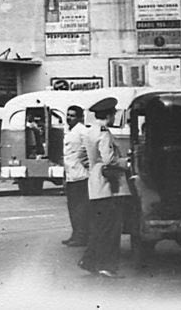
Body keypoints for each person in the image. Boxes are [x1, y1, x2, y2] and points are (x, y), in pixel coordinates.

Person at [80, 97, 128, 278]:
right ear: (109, 115)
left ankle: (89, 261)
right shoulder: (104, 133)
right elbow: (109, 159)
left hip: (95, 183)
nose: (114, 117)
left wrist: (94, 168)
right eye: (113, 114)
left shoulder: (89, 132)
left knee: (100, 226)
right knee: (111, 227)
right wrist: (126, 162)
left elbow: (83, 157)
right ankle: (107, 266)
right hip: (108, 185)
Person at [62, 104, 90, 247]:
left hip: (81, 176)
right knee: (73, 207)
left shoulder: (83, 131)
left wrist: (86, 166)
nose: (69, 118)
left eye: (72, 115)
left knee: (81, 209)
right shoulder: (70, 131)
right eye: (68, 115)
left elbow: (88, 151)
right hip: (71, 175)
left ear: (80, 118)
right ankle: (76, 234)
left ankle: (81, 236)